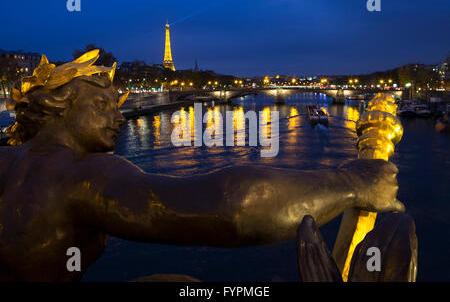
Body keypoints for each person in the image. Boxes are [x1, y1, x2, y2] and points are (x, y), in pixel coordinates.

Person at [0, 51, 403, 281]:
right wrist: (351, 182)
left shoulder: (9, 161)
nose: (118, 118)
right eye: (103, 105)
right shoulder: (81, 173)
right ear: (58, 108)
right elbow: (232, 208)